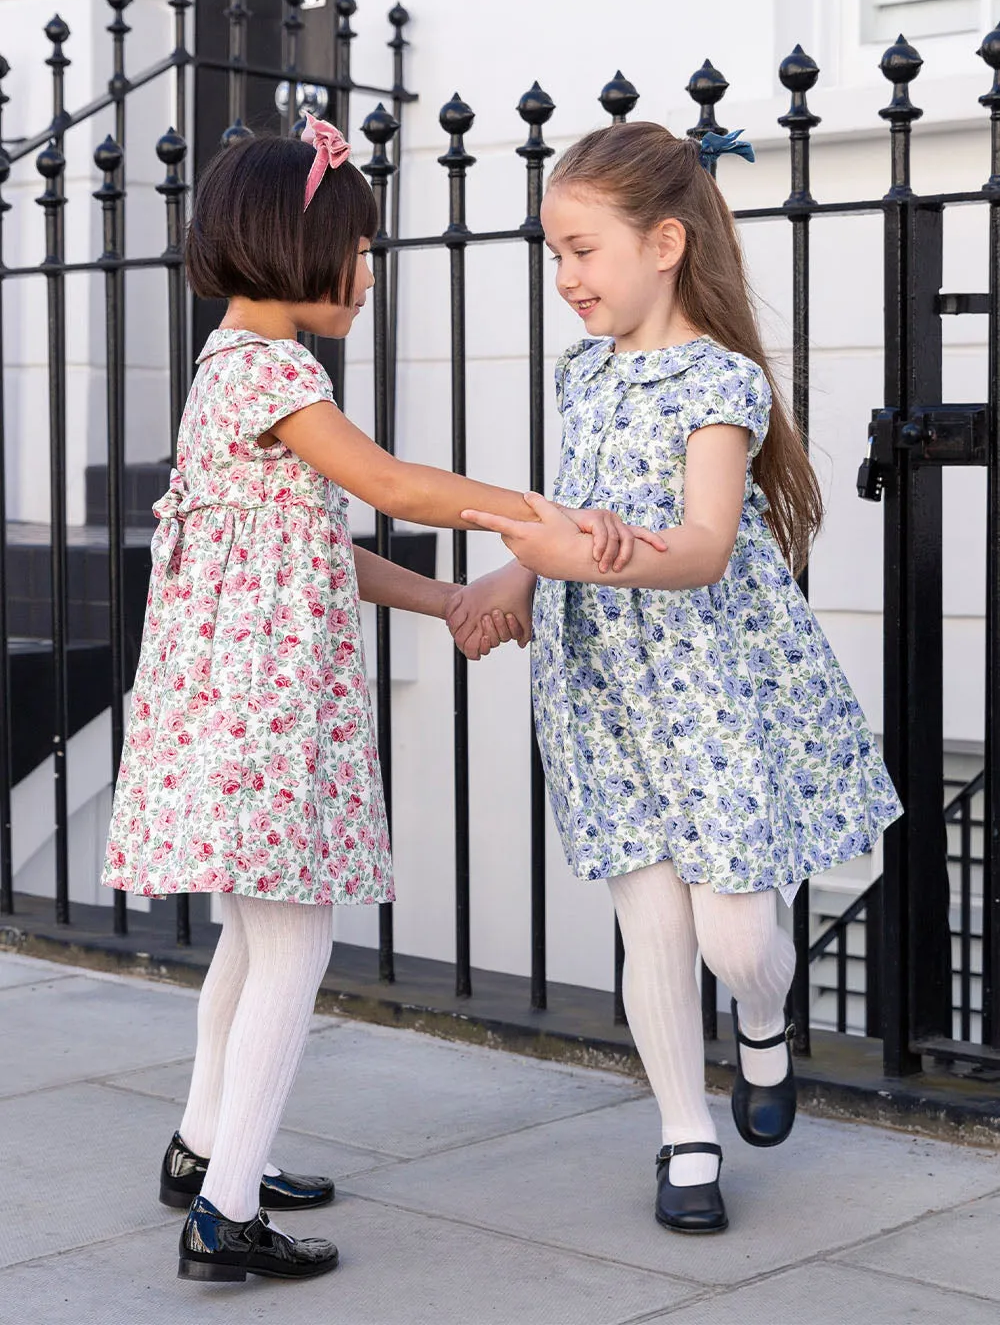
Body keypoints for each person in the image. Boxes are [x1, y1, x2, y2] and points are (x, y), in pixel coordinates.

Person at [100, 116, 662, 1282]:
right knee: (294, 943)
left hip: (232, 711)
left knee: (250, 947)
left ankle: (204, 1150)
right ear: (294, 245)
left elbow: (326, 543)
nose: (368, 273)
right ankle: (227, 1214)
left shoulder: (230, 366)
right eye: (358, 249)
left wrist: (453, 601)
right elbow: (390, 482)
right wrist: (533, 516)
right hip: (265, 714)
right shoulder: (272, 370)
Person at [449, 121, 902, 1235]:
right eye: (551, 254)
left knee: (736, 936)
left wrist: (579, 550)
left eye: (580, 251)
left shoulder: (721, 381)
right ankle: (683, 1137)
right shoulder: (582, 374)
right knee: (649, 923)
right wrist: (517, 568)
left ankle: (761, 1023)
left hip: (710, 686)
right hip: (602, 681)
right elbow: (577, 504)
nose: (564, 278)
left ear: (662, 243)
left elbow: (700, 546)